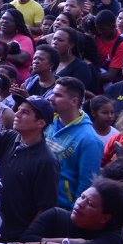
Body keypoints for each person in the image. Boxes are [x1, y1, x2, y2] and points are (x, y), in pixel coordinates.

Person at [0, 96, 60, 242]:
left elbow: (45, 208)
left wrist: (26, 240)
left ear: (40, 123)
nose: (16, 114)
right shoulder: (11, 137)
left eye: (25, 112)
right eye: (18, 109)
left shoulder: (47, 161)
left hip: (15, 238)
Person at [46, 75, 104, 209]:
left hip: (62, 209)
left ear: (74, 101)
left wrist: (73, 214)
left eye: (58, 95)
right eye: (52, 93)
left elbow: (86, 185)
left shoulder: (90, 140)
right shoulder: (48, 122)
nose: (51, 98)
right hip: (39, 200)